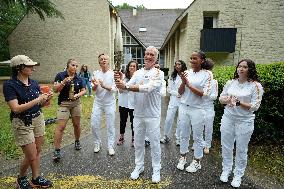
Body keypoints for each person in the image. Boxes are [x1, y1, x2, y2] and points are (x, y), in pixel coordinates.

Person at [3, 55, 53, 188]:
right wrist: (37, 99)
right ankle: (21, 178)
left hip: (38, 118)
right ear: (19, 68)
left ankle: (36, 177)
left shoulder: (34, 83)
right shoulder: (9, 85)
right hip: (22, 122)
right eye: (30, 66)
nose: (33, 68)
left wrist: (46, 100)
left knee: (37, 150)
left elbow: (39, 105)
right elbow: (15, 108)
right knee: (31, 155)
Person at [115, 46, 163, 183]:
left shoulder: (158, 73)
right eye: (147, 54)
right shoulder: (137, 73)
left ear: (156, 58)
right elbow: (125, 90)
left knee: (154, 143)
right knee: (138, 143)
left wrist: (126, 86)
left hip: (153, 115)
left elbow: (148, 88)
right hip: (138, 114)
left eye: (152, 54)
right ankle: (139, 166)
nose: (148, 56)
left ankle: (156, 169)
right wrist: (119, 83)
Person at [219, 59, 263, 188]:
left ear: (250, 70)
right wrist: (228, 100)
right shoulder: (230, 82)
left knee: (241, 149)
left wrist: (239, 103)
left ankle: (238, 174)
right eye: (239, 66)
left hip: (245, 121)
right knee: (226, 146)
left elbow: (255, 106)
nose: (241, 69)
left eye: (244, 67)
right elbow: (221, 98)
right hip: (228, 118)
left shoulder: (256, 85)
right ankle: (226, 170)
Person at [176, 51, 212, 173]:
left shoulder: (207, 74)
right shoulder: (187, 73)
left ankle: (197, 161)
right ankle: (183, 157)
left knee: (197, 137)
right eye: (190, 58)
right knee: (184, 134)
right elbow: (180, 93)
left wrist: (189, 84)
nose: (191, 60)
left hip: (197, 109)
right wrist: (183, 82)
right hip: (184, 107)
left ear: (202, 60)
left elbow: (204, 94)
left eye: (195, 58)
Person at [52, 58, 86, 162]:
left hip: (76, 103)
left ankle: (77, 141)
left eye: (76, 66)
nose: (75, 67)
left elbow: (84, 91)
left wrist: (77, 95)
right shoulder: (60, 75)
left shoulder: (79, 78)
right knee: (61, 127)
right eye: (73, 65)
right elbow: (55, 90)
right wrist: (63, 82)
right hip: (64, 104)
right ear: (68, 66)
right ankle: (57, 150)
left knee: (76, 124)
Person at [91, 53, 117, 156]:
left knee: (110, 125)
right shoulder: (95, 73)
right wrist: (95, 85)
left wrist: (103, 85)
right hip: (98, 102)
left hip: (109, 103)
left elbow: (115, 89)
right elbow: (93, 88)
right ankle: (97, 143)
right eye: (101, 59)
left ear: (108, 61)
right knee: (94, 124)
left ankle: (110, 146)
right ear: (99, 62)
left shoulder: (113, 74)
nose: (103, 60)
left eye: (105, 59)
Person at [160, 60, 187, 145]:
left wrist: (181, 94)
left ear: (183, 65)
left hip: (183, 100)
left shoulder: (187, 75)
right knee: (169, 118)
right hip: (174, 99)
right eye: (176, 65)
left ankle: (178, 138)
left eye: (179, 64)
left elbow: (188, 87)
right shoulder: (172, 76)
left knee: (181, 119)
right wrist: (177, 93)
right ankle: (166, 136)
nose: (177, 66)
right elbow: (169, 89)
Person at [117, 60, 138, 147]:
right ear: (128, 67)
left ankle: (134, 138)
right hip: (123, 103)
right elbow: (120, 90)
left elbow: (138, 89)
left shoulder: (138, 78)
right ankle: (121, 137)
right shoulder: (123, 77)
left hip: (134, 104)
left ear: (137, 68)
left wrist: (126, 87)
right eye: (130, 66)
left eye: (134, 66)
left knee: (134, 122)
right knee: (123, 121)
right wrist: (126, 87)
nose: (132, 67)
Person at [201, 60, 218, 154]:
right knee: (198, 126)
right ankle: (198, 144)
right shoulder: (199, 81)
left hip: (208, 107)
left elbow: (214, 96)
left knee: (208, 127)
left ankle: (207, 145)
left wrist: (204, 95)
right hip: (199, 106)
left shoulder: (214, 82)